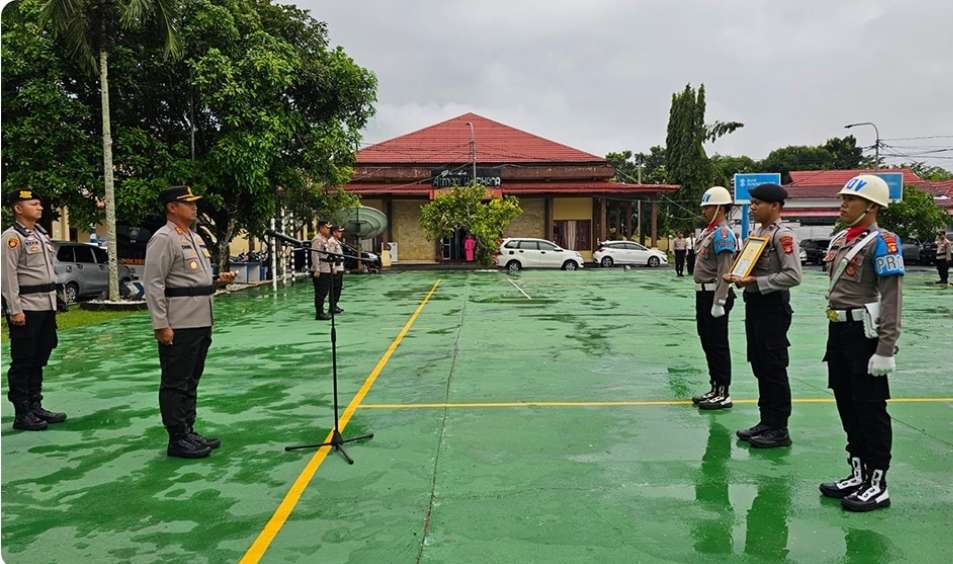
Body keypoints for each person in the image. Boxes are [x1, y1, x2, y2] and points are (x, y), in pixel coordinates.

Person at [818, 174, 902, 512]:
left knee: (870, 409)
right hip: (838, 331)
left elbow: (892, 298)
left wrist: (886, 347)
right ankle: (858, 473)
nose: (843, 204)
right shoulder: (840, 239)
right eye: (843, 198)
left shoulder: (883, 241)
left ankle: (878, 483)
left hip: (865, 334)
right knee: (846, 404)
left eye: (850, 200)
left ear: (871, 206)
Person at [143, 186, 237, 458]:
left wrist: (218, 279)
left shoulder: (194, 237)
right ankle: (177, 438)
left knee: (191, 379)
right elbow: (154, 284)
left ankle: (188, 429)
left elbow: (192, 280)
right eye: (188, 203)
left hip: (200, 319)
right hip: (179, 321)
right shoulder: (164, 238)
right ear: (172, 207)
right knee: (175, 381)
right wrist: (160, 324)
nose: (195, 208)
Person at [726, 183, 802, 448]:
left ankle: (780, 427)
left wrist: (755, 282)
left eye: (758, 203)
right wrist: (738, 277)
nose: (754, 207)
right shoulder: (758, 233)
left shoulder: (783, 236)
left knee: (773, 366)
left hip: (772, 307)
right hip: (755, 305)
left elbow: (793, 276)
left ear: (775, 207)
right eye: (753, 202)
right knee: (759, 363)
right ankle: (766, 421)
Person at [2, 189, 67, 431]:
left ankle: (35, 404)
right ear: (18, 208)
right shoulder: (11, 238)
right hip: (26, 308)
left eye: (40, 203)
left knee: (40, 356)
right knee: (24, 360)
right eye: (34, 203)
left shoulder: (40, 234)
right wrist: (14, 309)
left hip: (45, 306)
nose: (40, 207)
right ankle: (22, 412)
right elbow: (7, 277)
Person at [691, 186, 738, 411]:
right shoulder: (708, 233)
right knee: (707, 341)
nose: (705, 210)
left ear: (720, 208)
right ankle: (714, 386)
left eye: (708, 206)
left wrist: (720, 300)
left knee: (718, 344)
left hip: (714, 294)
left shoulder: (723, 234)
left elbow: (724, 270)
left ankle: (723, 392)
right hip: (703, 293)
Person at [311, 221, 332, 320]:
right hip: (321, 270)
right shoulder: (317, 239)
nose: (328, 230)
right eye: (326, 228)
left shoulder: (324, 239)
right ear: (321, 228)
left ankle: (322, 311)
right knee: (320, 292)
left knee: (324, 292)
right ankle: (319, 313)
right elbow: (315, 255)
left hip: (326, 269)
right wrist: (317, 269)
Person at [328, 224, 345, 314]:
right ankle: (332, 306)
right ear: (334, 232)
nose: (341, 233)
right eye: (339, 231)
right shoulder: (331, 242)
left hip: (340, 268)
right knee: (334, 288)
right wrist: (333, 268)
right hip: (336, 270)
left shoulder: (337, 242)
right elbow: (331, 255)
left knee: (338, 288)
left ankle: (335, 305)